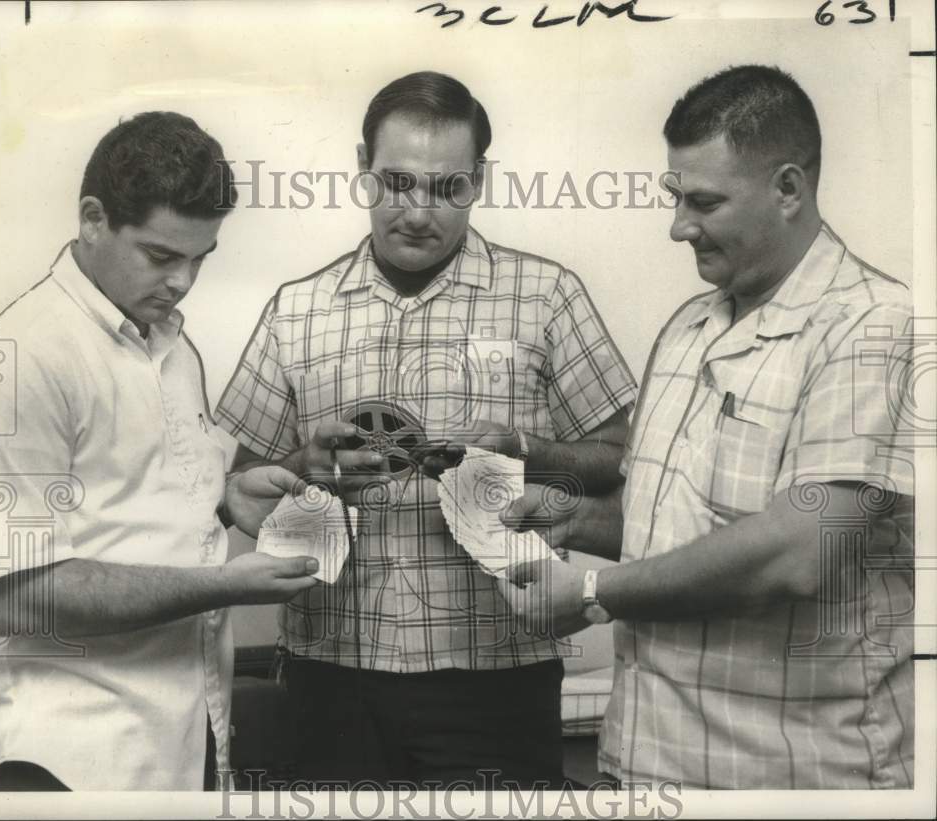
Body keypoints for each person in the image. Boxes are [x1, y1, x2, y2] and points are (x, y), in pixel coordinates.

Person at [215, 71, 636, 787]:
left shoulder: (547, 296)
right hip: (329, 682)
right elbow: (239, 489)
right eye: (397, 181)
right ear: (362, 170)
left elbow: (626, 463)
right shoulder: (297, 311)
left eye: (447, 188)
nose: (417, 210)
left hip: (498, 681)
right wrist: (307, 467)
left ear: (479, 180)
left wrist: (528, 454)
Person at [501, 65, 915, 789]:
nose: (677, 226)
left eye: (705, 202)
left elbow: (798, 549)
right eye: (675, 196)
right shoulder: (690, 327)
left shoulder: (876, 326)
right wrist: (567, 515)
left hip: (792, 779)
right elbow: (666, 518)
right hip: (646, 766)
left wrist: (592, 592)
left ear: (789, 189)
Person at [0, 111, 319, 791]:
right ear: (93, 219)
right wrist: (222, 588)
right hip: (63, 758)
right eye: (162, 256)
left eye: (199, 258)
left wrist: (234, 496)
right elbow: (18, 592)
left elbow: (162, 507)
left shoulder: (173, 347)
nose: (183, 281)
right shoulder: (20, 358)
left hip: (182, 740)